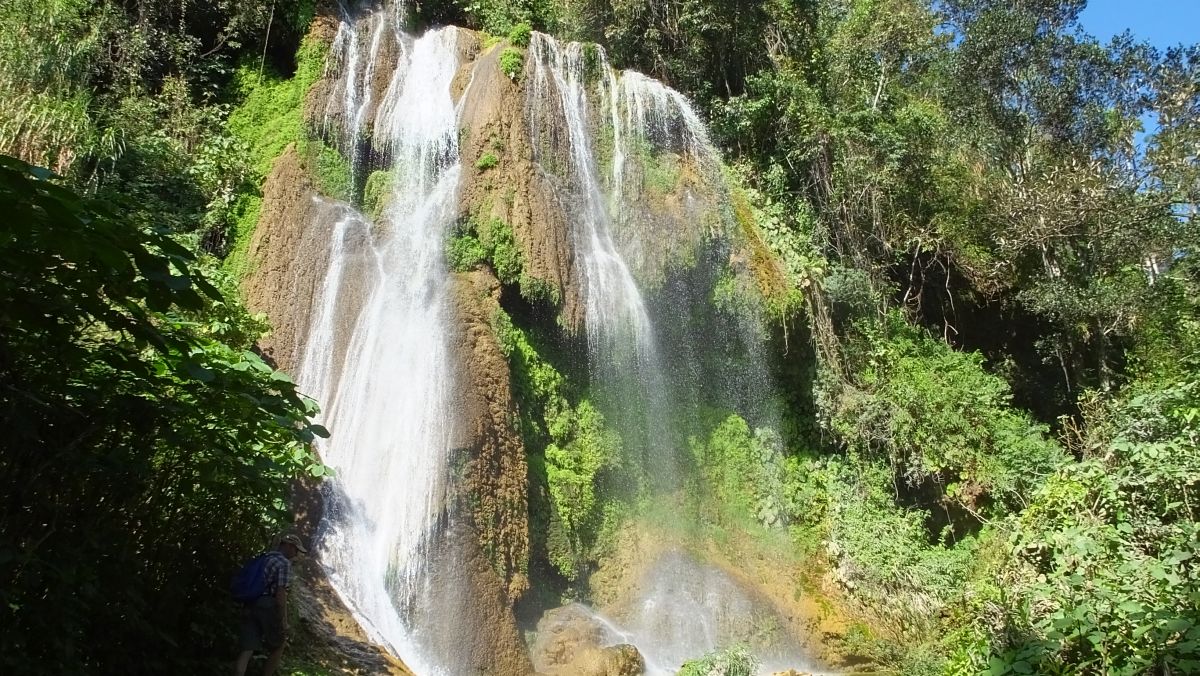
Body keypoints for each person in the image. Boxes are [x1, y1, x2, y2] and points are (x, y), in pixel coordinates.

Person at [234, 534, 308, 676]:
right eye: (296, 549)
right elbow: (281, 594)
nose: (296, 554)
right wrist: (284, 621)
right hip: (266, 604)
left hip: (250, 602)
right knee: (278, 645)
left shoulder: (264, 556)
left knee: (246, 650)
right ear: (288, 546)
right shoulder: (284, 563)